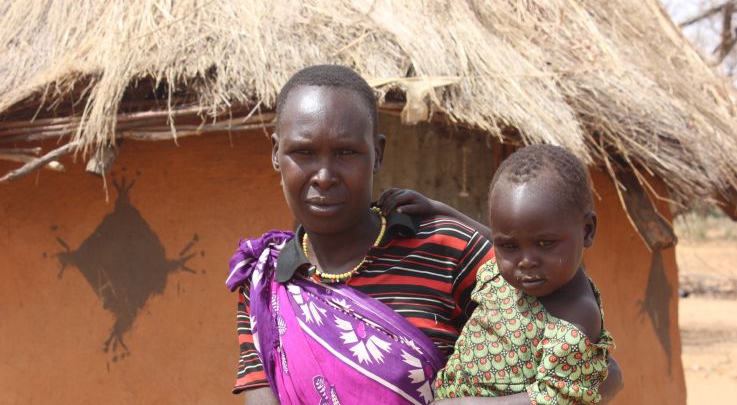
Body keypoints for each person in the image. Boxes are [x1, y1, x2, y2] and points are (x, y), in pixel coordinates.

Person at [226, 64, 622, 405]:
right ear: (277, 153)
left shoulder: (449, 249)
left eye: (346, 153)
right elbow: (259, 388)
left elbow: (601, 375)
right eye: (304, 153)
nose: (325, 176)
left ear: (378, 153)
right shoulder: (264, 282)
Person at [380, 145, 615, 405]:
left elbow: (556, 399)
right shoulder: (518, 270)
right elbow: (494, 239)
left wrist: (467, 404)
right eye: (510, 246)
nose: (526, 261)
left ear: (587, 231)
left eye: (545, 243)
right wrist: (440, 209)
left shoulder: (576, 317)